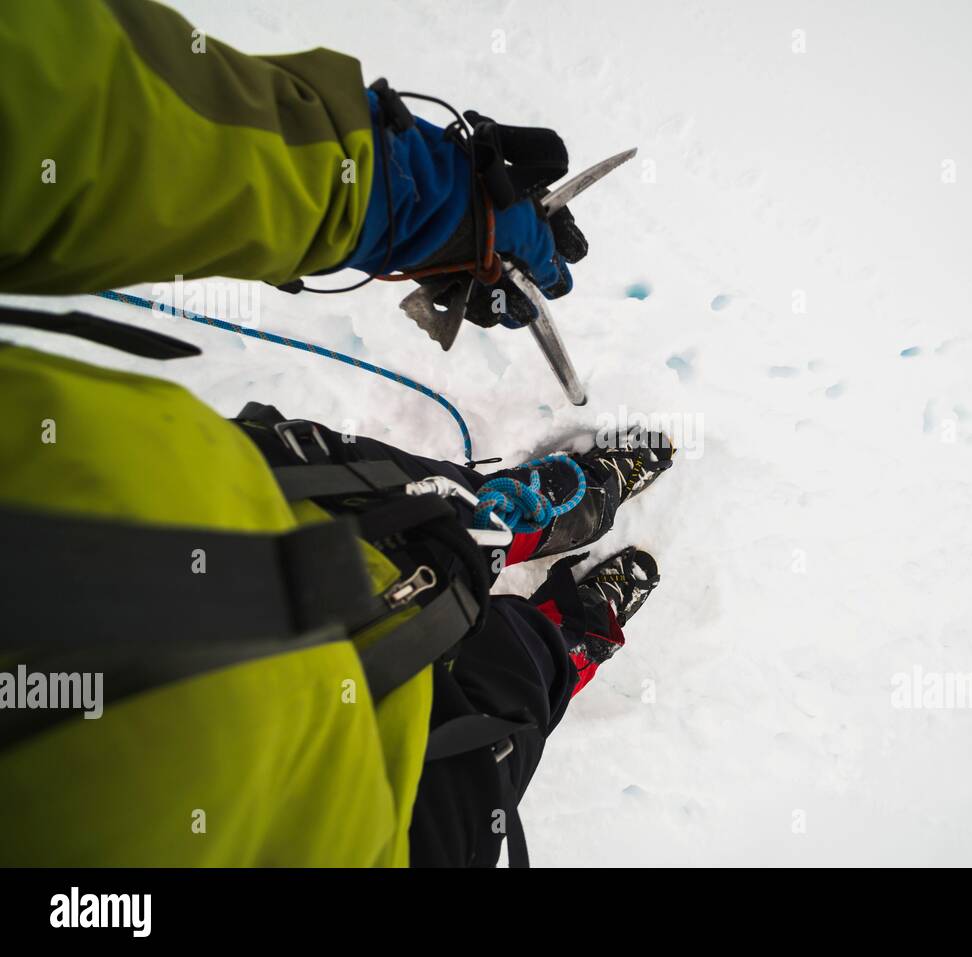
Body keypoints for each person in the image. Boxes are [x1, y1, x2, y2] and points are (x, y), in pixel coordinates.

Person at [0, 0, 671, 867]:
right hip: (362, 829)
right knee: (506, 699)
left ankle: (508, 522)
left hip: (225, 501)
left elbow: (63, 103)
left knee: (429, 514)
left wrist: (402, 198)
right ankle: (562, 637)